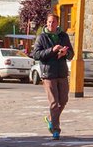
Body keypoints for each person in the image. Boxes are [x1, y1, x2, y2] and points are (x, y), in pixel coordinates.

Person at [30, 11, 72, 139]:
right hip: (48, 74)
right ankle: (56, 130)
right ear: (46, 23)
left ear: (57, 23)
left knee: (63, 100)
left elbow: (71, 54)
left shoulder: (64, 36)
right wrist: (52, 50)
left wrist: (66, 53)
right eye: (49, 22)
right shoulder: (41, 37)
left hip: (62, 73)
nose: (51, 24)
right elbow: (36, 55)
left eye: (53, 22)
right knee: (54, 102)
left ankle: (50, 118)